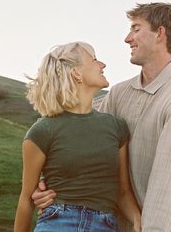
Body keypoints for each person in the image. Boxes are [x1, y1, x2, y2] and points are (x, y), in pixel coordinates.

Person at [32, 3, 171, 232]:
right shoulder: (120, 93)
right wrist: (46, 184)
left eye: (136, 29)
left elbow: (169, 187)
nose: (127, 38)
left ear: (160, 34)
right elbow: (75, 125)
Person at [14, 42, 141, 232]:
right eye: (95, 59)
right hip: (57, 222)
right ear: (76, 73)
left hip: (104, 225)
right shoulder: (41, 131)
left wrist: (138, 219)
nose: (103, 64)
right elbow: (26, 200)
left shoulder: (116, 127)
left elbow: (123, 193)